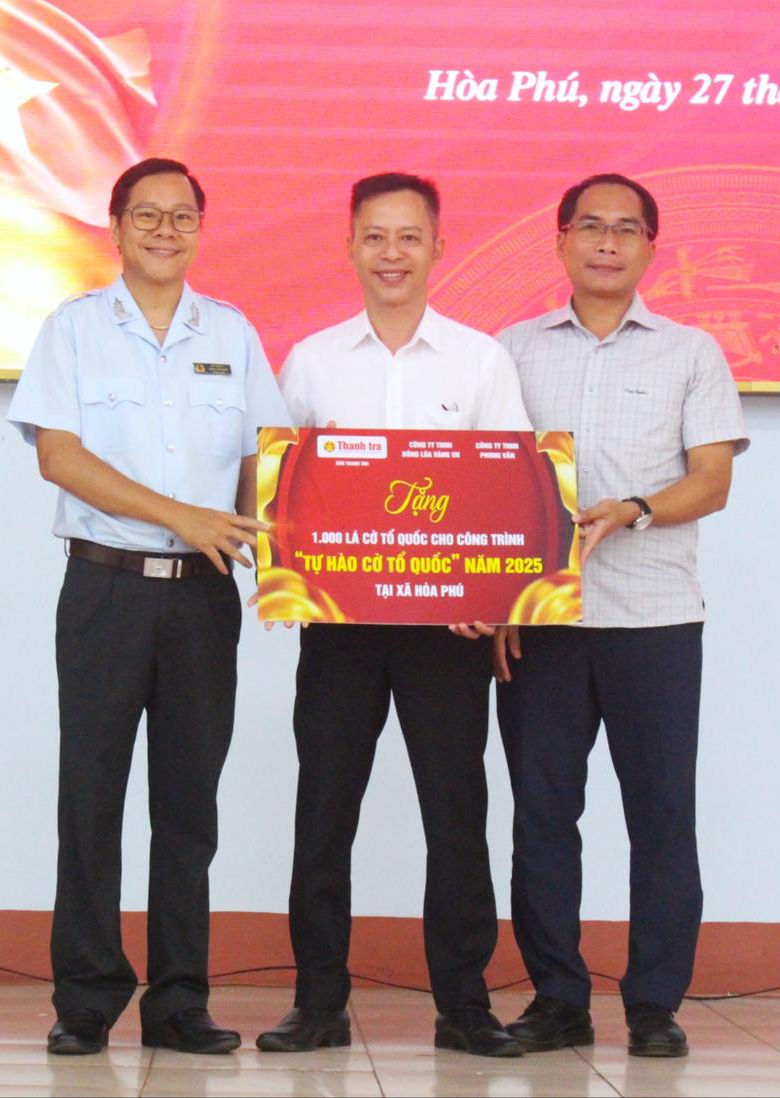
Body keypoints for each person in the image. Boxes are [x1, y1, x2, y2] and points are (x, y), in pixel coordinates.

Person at [6, 157, 291, 1057]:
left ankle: (179, 1003)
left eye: (182, 217)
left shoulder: (233, 333)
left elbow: (264, 461)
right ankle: (87, 998)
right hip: (106, 591)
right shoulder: (74, 329)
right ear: (117, 226)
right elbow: (60, 458)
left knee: (188, 806)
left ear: (201, 228)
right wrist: (183, 516)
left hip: (204, 598)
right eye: (147, 215)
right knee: (90, 798)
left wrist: (290, 566)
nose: (166, 231)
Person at [256, 173, 533, 1059]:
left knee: (455, 816)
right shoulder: (312, 361)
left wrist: (491, 597)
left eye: (409, 236)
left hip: (446, 638)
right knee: (323, 813)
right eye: (375, 236)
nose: (391, 253)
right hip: (339, 632)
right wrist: (284, 575)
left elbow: (512, 487)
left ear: (438, 249)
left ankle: (465, 1007)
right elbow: (281, 492)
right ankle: (317, 1004)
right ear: (350, 247)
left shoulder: (480, 361)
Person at [492, 173, 749, 1058]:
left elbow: (711, 482)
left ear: (649, 248)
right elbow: (486, 483)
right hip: (541, 625)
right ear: (561, 240)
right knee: (541, 818)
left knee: (661, 816)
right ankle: (558, 998)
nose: (607, 242)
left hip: (656, 621)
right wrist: (492, 602)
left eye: (626, 229)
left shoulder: (691, 353)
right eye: (590, 226)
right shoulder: (510, 352)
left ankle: (653, 1006)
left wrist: (634, 509)